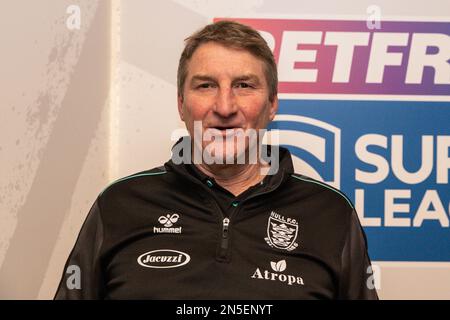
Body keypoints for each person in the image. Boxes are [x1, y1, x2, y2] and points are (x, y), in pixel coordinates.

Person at [54, 20, 378, 299]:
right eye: (206, 85)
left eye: (244, 85)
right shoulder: (118, 206)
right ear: (181, 104)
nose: (225, 107)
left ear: (272, 104)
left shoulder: (330, 214)